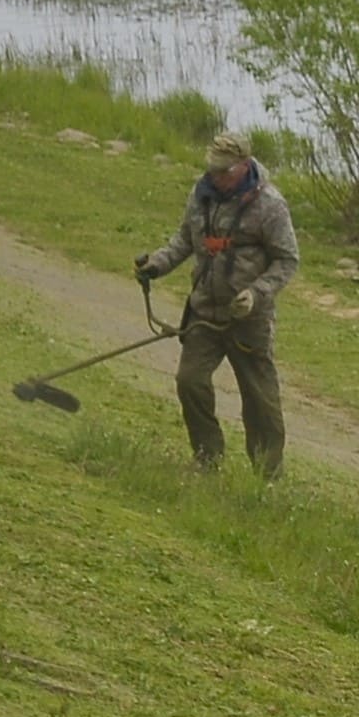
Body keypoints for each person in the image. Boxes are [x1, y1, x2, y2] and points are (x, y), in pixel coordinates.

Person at [133, 131, 300, 479]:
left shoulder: (270, 205)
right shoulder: (201, 193)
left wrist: (256, 293)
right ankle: (208, 460)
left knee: (261, 404)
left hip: (248, 320)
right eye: (212, 169)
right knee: (189, 381)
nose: (216, 176)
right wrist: (159, 264)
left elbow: (287, 261)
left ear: (243, 167)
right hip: (204, 314)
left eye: (223, 170)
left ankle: (268, 478)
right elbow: (184, 239)